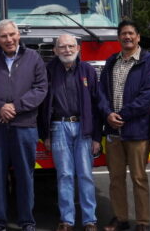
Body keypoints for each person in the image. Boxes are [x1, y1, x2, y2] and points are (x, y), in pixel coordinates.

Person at [0, 19, 48, 231]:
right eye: (4, 36)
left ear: (19, 35)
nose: (9, 39)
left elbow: (41, 88)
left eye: (12, 35)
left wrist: (14, 107)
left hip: (24, 126)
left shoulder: (34, 58)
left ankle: (27, 221)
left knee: (25, 174)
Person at [98, 20, 150, 231]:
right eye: (123, 34)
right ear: (119, 37)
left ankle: (142, 222)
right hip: (113, 131)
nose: (127, 37)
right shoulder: (111, 61)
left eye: (131, 33)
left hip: (137, 130)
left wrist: (122, 115)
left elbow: (148, 94)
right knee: (115, 179)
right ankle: (120, 218)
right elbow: (101, 92)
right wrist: (107, 114)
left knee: (139, 178)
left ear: (138, 37)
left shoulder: (148, 61)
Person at [38, 34, 101, 231]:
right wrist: (45, 135)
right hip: (58, 127)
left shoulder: (88, 71)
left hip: (84, 128)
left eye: (71, 46)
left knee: (85, 175)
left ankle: (90, 220)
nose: (67, 50)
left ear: (78, 48)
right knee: (64, 175)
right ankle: (67, 220)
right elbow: (42, 106)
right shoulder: (48, 71)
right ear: (55, 51)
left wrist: (97, 137)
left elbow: (97, 104)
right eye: (62, 47)